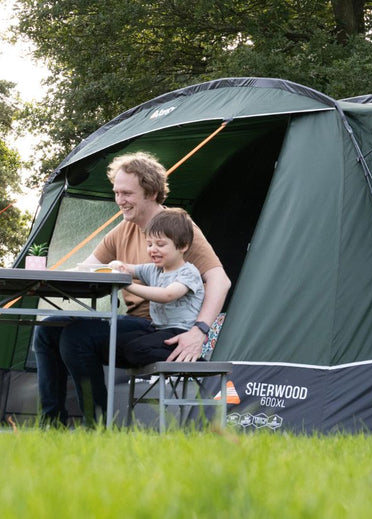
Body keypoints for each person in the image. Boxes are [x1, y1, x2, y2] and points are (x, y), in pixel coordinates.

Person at [35, 152, 231, 425]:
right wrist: (41, 277)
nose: (119, 201)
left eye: (126, 193)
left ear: (150, 192)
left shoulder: (177, 229)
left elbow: (220, 280)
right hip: (134, 324)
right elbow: (87, 269)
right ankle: (52, 422)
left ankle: (97, 425)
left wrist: (199, 331)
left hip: (163, 329)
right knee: (48, 329)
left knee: (76, 336)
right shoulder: (121, 230)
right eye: (116, 192)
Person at [105, 208, 206, 365]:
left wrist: (126, 284)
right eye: (149, 244)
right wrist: (117, 266)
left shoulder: (188, 272)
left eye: (160, 244)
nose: (153, 249)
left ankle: (194, 361)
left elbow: (167, 295)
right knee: (112, 344)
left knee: (135, 349)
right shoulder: (153, 270)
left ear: (183, 246)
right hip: (158, 330)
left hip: (180, 332)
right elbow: (128, 269)